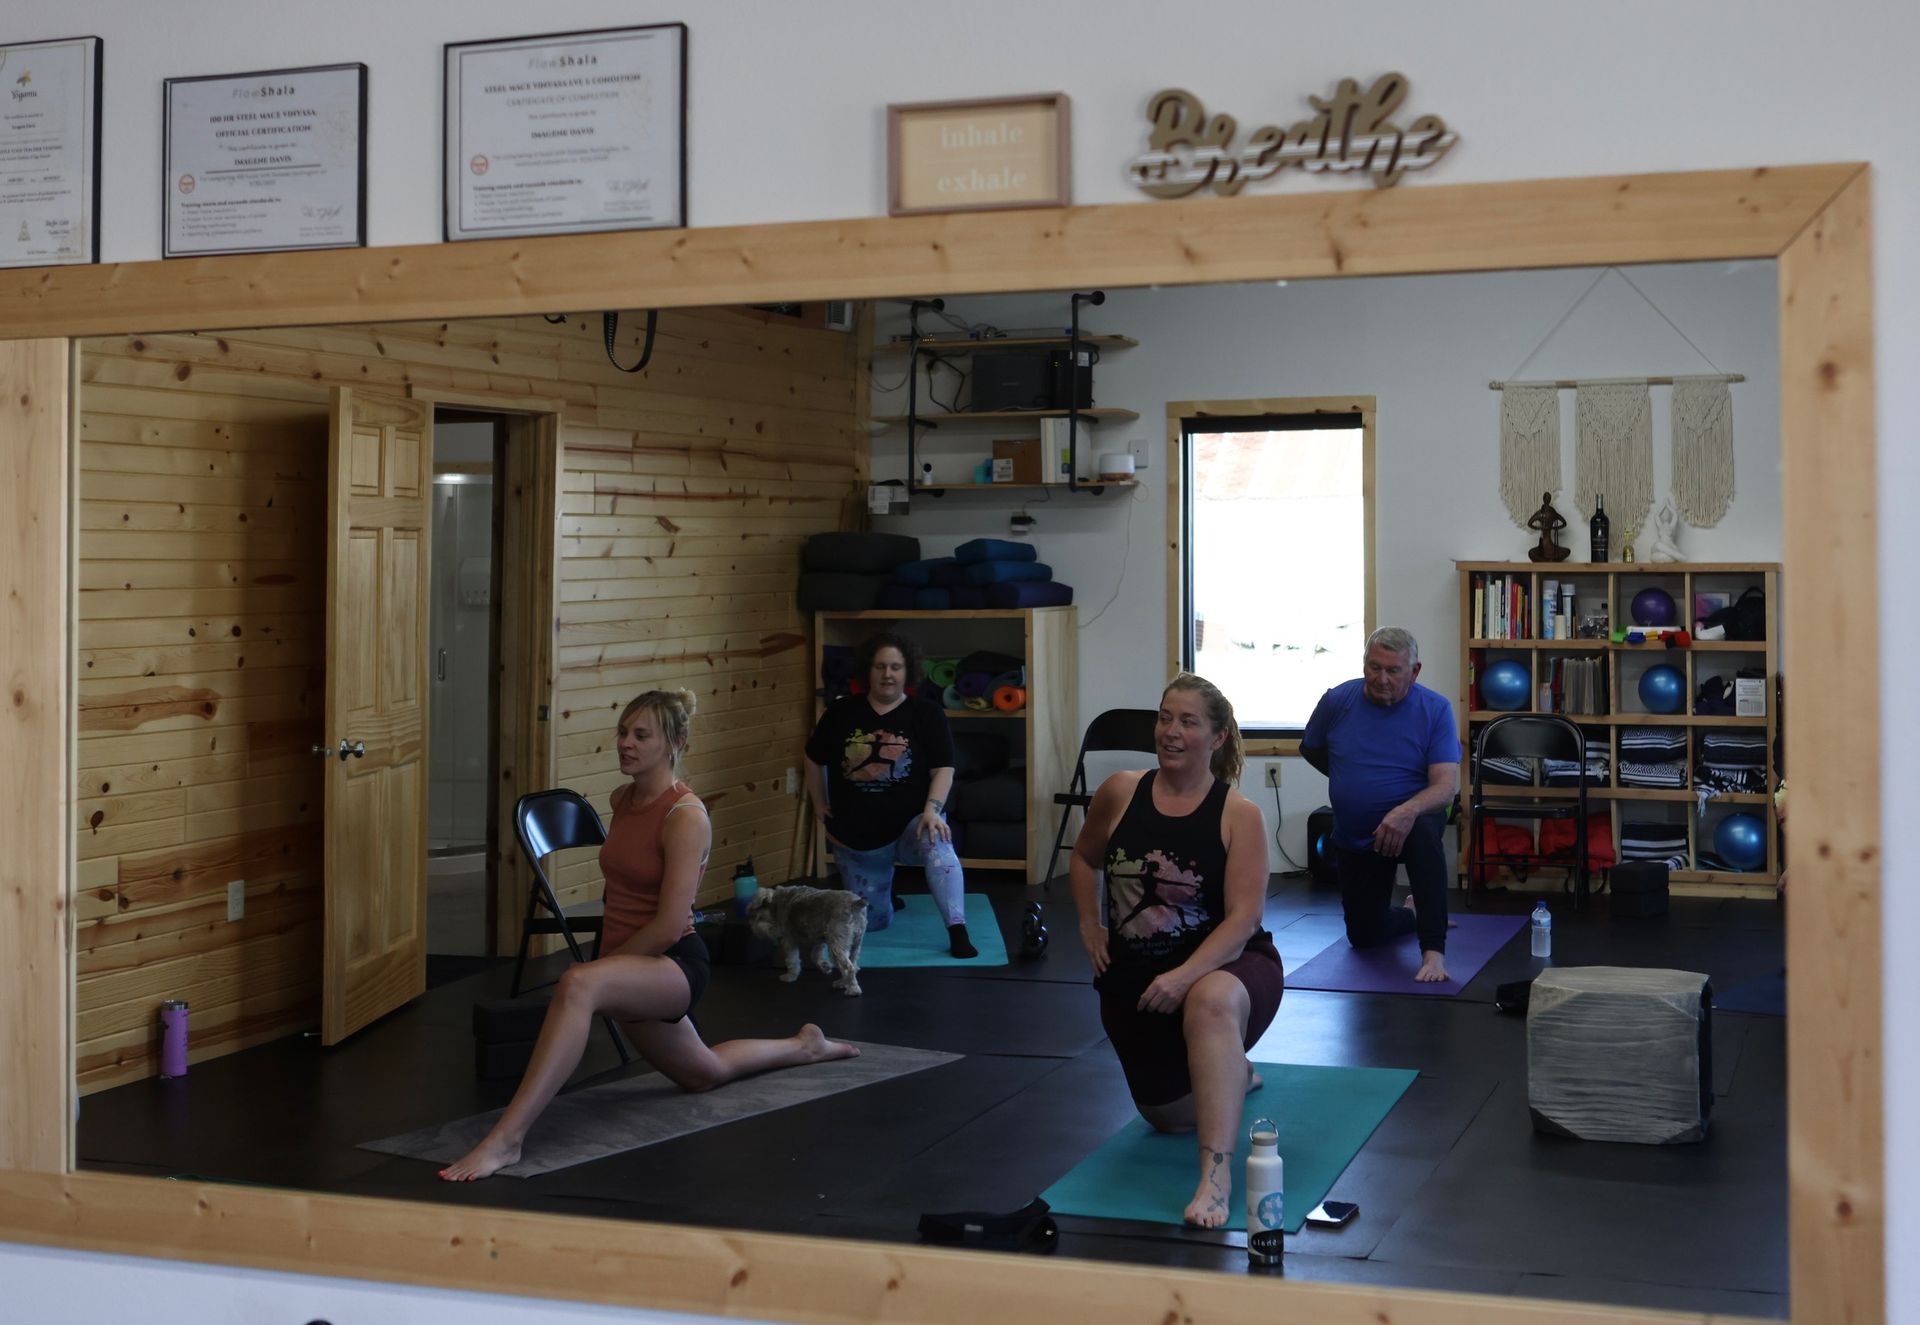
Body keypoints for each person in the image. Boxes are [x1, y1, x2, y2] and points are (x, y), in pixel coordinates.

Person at [440, 689, 857, 1181]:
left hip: (674, 964)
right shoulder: (622, 799)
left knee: (578, 983)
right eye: (623, 732)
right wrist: (610, 969)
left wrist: (601, 970)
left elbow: (664, 925)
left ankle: (505, 1141)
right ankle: (806, 1045)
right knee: (704, 1074)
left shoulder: (685, 817)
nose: (626, 744)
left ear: (675, 743)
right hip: (627, 965)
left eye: (641, 735)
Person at [1069, 673, 1284, 1228]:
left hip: (1229, 968)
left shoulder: (1240, 816)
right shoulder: (1120, 790)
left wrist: (1186, 976)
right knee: (1168, 1116)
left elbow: (1244, 919)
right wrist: (1091, 927)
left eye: (1188, 722)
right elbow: (1084, 857)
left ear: (1216, 738)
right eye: (1166, 717)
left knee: (1209, 1003)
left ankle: (1216, 1178)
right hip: (1136, 986)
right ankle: (1236, 1070)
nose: (1170, 731)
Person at [1301, 627, 1462, 984]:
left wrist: (1404, 811)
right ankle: (1411, 914)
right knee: (1364, 936)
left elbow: (1445, 788)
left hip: (1416, 819)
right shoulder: (1337, 702)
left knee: (1422, 833)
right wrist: (1349, 777)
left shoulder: (1435, 709)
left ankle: (1433, 952)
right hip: (1357, 833)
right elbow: (1310, 748)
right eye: (1374, 668)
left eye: (1393, 671)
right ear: (1364, 665)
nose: (1382, 679)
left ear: (1414, 671)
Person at [804, 632, 976, 958]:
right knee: (875, 923)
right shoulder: (841, 713)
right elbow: (813, 757)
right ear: (867, 671)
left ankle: (957, 928)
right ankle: (886, 892)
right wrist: (818, 803)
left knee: (938, 837)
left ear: (907, 672)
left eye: (895, 667)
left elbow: (944, 768)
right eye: (880, 666)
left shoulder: (927, 714)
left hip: (913, 825)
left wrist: (932, 810)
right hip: (858, 838)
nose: (887, 674)